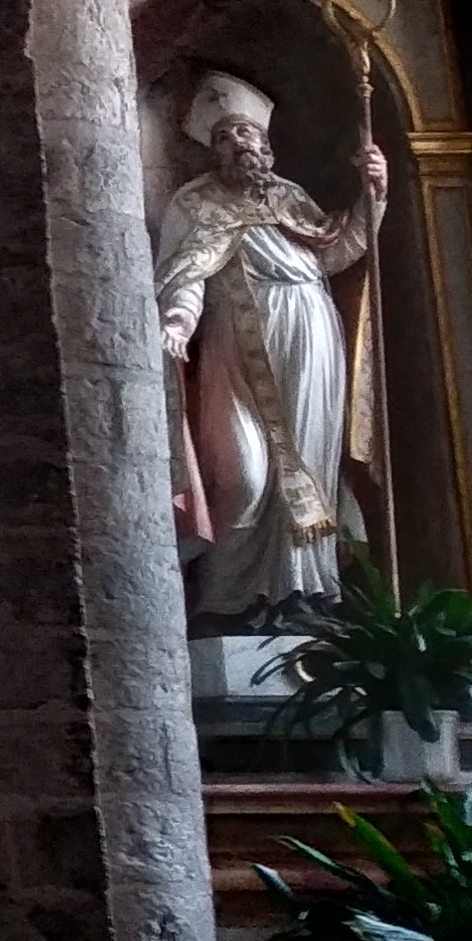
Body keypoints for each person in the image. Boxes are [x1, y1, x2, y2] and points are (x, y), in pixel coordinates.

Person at [157, 70, 386, 619]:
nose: (237, 143)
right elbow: (185, 273)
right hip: (233, 352)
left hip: (310, 339)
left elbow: (336, 250)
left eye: (245, 132)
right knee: (243, 477)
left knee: (309, 465)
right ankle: (226, 603)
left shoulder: (290, 197)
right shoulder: (194, 203)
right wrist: (177, 322)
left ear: (265, 141)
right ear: (213, 151)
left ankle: (301, 593)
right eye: (223, 137)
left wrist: (372, 193)